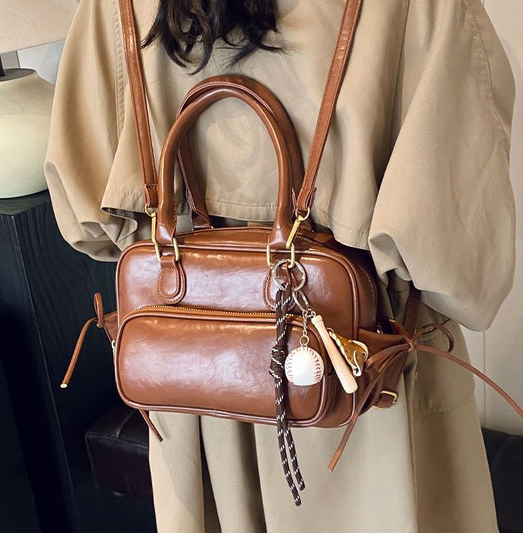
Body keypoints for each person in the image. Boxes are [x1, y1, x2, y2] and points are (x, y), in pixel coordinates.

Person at [45, 0, 515, 531]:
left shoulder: (112, 7)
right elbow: (464, 274)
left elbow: (86, 219)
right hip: (360, 383)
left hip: (194, 391)